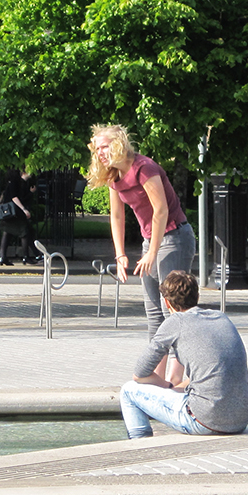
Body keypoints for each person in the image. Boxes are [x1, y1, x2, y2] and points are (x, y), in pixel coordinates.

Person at [86, 124, 196, 378]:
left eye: (104, 147)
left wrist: (152, 253)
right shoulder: (114, 175)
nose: (100, 152)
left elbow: (161, 211)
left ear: (118, 144)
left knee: (173, 310)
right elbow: (116, 216)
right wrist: (120, 254)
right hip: (152, 241)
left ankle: (175, 378)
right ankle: (155, 378)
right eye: (97, 148)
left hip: (174, 237)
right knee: (154, 313)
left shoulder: (144, 168)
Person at [119, 271, 248, 439]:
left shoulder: (176, 322)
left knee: (128, 391)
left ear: (167, 302)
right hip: (241, 420)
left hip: (204, 421)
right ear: (197, 295)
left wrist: (167, 386)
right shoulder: (221, 318)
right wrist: (177, 389)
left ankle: (140, 444)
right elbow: (213, 373)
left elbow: (139, 374)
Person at [0, 168, 38, 266]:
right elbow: (15, 198)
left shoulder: (20, 182)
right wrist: (24, 209)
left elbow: (21, 197)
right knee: (24, 233)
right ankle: (26, 257)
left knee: (7, 233)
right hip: (15, 212)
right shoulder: (16, 182)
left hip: (12, 212)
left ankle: (2, 257)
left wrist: (30, 193)